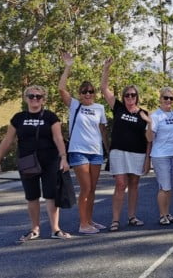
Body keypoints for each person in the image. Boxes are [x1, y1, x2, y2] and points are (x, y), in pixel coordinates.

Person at [0, 86, 72, 241]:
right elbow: (8, 140)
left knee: (50, 195)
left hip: (50, 161)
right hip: (27, 161)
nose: (35, 99)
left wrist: (63, 157)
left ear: (43, 99)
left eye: (38, 96)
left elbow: (58, 138)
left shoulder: (50, 116)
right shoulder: (18, 118)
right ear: (25, 98)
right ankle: (34, 229)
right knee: (32, 196)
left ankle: (55, 229)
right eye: (31, 96)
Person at [59, 52, 109, 235]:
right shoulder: (74, 105)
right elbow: (61, 89)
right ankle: (82, 223)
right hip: (78, 151)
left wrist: (108, 150)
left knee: (93, 189)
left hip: (96, 152)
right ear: (79, 94)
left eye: (91, 91)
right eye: (84, 92)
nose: (88, 94)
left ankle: (89, 220)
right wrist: (68, 66)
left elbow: (102, 130)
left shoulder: (99, 108)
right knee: (86, 188)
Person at [101, 58, 150, 231]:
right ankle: (115, 220)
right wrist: (106, 68)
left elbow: (150, 138)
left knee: (134, 184)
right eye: (127, 95)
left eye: (133, 95)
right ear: (123, 97)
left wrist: (148, 122)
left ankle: (132, 217)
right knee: (121, 183)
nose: (130, 97)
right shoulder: (118, 108)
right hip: (118, 152)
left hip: (137, 153)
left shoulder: (144, 114)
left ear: (137, 97)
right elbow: (104, 89)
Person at [149, 87, 173, 225]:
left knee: (170, 187)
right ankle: (162, 215)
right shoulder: (155, 116)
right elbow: (150, 138)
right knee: (164, 186)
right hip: (160, 155)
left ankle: (167, 213)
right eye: (165, 97)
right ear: (160, 99)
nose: (168, 100)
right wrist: (149, 124)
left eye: (171, 98)